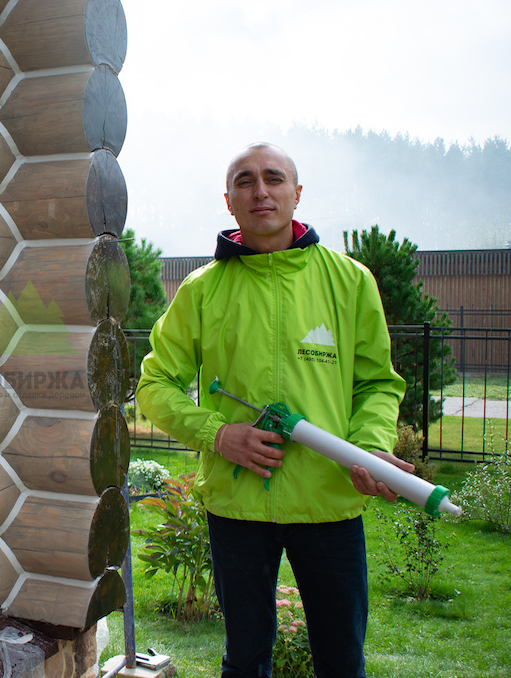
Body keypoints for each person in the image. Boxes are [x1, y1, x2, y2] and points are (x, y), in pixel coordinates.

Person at [135, 143, 411, 678]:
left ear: (296, 193)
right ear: (229, 201)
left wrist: (369, 447)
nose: (260, 191)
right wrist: (219, 434)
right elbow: (154, 384)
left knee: (342, 662)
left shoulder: (350, 281)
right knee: (244, 661)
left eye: (273, 178)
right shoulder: (201, 291)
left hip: (329, 501)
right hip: (236, 508)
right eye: (245, 181)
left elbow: (377, 383)